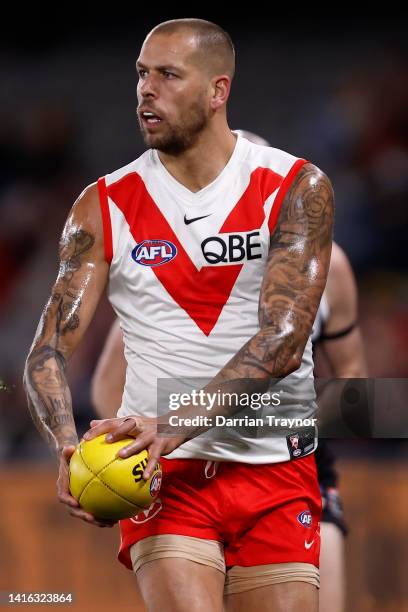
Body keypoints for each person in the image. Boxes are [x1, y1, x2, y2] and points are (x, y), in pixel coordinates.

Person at [23, 19, 334, 612]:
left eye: (168, 74)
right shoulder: (102, 206)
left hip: (275, 466)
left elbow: (286, 338)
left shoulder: (293, 186)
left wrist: (171, 422)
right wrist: (65, 444)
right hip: (162, 478)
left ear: (218, 91)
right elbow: (47, 351)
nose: (146, 89)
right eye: (142, 74)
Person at [91, 228, 367, 612]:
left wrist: (281, 422)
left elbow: (353, 376)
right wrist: (134, 456)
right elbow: (107, 385)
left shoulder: (326, 262)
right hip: (187, 475)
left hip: (296, 470)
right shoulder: (172, 266)